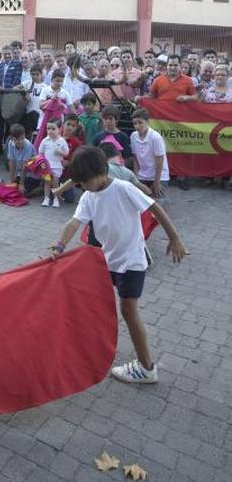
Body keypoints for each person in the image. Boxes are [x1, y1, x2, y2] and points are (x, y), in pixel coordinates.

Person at [49, 146, 187, 384]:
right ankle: (91, 346)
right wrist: (58, 246)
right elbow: (73, 223)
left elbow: (155, 208)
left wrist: (174, 238)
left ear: (101, 173)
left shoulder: (123, 188)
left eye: (84, 181)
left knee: (128, 310)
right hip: (106, 261)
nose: (81, 186)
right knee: (90, 300)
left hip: (131, 261)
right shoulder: (89, 196)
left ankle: (146, 368)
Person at [130, 108, 170, 198]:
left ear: (147, 122)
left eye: (140, 122)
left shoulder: (155, 138)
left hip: (159, 177)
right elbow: (135, 158)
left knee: (157, 204)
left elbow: (160, 161)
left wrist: (156, 182)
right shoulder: (133, 136)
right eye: (135, 123)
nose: (137, 126)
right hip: (142, 176)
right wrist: (136, 178)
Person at [38, 118, 69, 208]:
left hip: (57, 166)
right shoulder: (45, 141)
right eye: (48, 129)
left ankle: (56, 199)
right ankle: (46, 198)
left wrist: (60, 152)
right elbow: (40, 153)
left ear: (60, 129)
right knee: (47, 182)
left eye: (53, 129)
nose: (50, 131)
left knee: (55, 182)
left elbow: (66, 153)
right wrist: (42, 162)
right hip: (46, 167)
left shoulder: (62, 141)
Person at [6, 123, 35, 191]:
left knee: (23, 192)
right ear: (13, 139)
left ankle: (40, 189)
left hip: (31, 173)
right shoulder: (10, 143)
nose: (20, 141)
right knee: (13, 189)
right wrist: (11, 180)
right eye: (18, 139)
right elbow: (11, 162)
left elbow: (25, 165)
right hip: (20, 172)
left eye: (22, 138)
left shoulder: (28, 145)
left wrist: (21, 184)